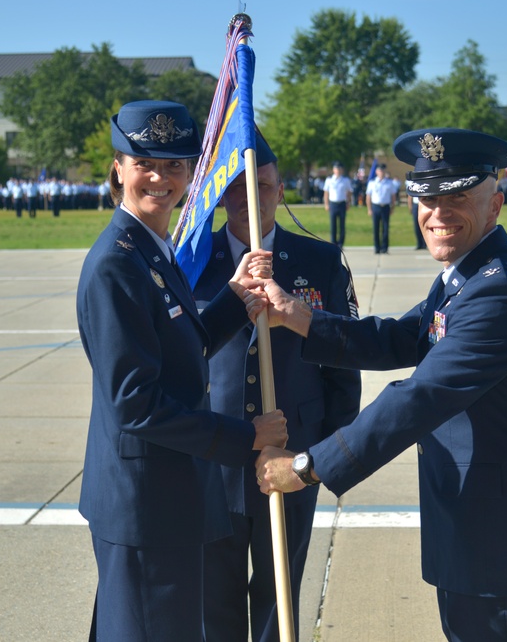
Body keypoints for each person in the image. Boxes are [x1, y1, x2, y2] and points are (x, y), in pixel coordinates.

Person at [253, 127, 507, 642]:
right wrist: (301, 317)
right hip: (474, 528)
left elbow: (419, 398)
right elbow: (401, 337)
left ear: (496, 205)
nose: (437, 213)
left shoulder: (499, 294)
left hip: (501, 541)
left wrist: (306, 467)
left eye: (457, 197)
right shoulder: (467, 276)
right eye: (427, 198)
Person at [76, 100, 287, 641]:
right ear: (117, 167)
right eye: (144, 162)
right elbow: (136, 403)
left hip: (165, 497)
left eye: (174, 165)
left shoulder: (151, 248)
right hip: (146, 503)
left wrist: (235, 296)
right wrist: (245, 438)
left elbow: (178, 349)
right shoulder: (115, 265)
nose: (160, 178)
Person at [194, 133, 361, 642]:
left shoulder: (320, 261)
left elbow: (343, 367)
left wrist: (323, 453)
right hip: (211, 458)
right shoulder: (191, 263)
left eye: (263, 186)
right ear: (222, 194)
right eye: (239, 187)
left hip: (291, 458)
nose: (251, 197)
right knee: (212, 601)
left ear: (281, 190)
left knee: (279, 599)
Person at [366, 164, 396, 253]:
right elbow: (368, 197)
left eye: (383, 171)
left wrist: (392, 207)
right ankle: (377, 247)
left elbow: (393, 196)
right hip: (375, 207)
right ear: (376, 172)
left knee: (385, 228)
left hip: (385, 207)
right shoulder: (372, 183)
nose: (381, 172)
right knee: (376, 228)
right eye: (379, 171)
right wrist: (369, 209)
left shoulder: (389, 183)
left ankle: (385, 248)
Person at [322, 161, 352, 247]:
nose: (338, 170)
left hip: (342, 203)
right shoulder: (329, 180)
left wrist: (348, 203)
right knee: (333, 225)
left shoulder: (345, 180)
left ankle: (341, 243)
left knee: (342, 225)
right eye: (336, 169)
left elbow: (349, 192)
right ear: (333, 170)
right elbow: (326, 193)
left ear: (342, 170)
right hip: (333, 203)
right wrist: (326, 204)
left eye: (339, 169)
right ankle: (333, 243)